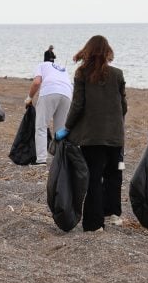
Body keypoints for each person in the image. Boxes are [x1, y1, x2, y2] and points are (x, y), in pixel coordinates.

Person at [54, 35, 127, 232]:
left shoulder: (81, 74)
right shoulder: (118, 74)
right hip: (115, 136)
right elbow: (123, 107)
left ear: (88, 51)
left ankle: (94, 224)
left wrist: (67, 128)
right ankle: (112, 214)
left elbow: (77, 105)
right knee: (113, 175)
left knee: (94, 178)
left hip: (92, 137)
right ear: (107, 52)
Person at [25, 58, 73, 165]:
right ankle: (60, 159)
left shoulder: (41, 65)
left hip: (50, 91)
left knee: (41, 126)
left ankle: (41, 160)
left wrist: (29, 98)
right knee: (60, 129)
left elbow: (36, 82)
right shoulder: (62, 68)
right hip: (67, 94)